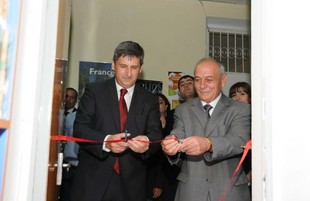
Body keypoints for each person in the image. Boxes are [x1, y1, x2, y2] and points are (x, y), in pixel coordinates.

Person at [71, 41, 163, 201]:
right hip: (93, 179)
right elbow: (80, 128)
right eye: (123, 66)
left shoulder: (149, 99)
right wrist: (106, 142)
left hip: (132, 184)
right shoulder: (94, 91)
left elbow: (155, 135)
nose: (128, 73)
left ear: (140, 69)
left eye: (134, 67)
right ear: (113, 65)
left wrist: (146, 143)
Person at [161, 58, 251, 201]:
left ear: (223, 80)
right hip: (190, 191)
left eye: (209, 79)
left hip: (229, 190)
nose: (202, 86)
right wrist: (170, 146)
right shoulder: (182, 110)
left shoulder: (241, 109)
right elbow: (177, 135)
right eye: (197, 80)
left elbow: (238, 140)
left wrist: (209, 144)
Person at [146, 93, 172, 201]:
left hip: (171, 174)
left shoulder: (174, 123)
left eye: (160, 103)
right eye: (155, 103)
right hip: (151, 173)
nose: (157, 105)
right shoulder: (147, 126)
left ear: (166, 106)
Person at [229, 81, 252, 191]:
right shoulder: (227, 119)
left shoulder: (259, 119)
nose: (237, 98)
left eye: (242, 94)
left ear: (250, 98)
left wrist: (253, 172)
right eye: (234, 95)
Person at [59, 87, 79, 201]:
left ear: (76, 100)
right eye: (66, 96)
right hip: (54, 162)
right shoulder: (54, 114)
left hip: (71, 163)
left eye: (72, 98)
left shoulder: (79, 117)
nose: (68, 100)